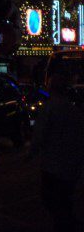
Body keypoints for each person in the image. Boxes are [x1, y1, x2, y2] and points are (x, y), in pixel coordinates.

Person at [30, 73, 84, 232]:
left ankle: (64, 224)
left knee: (51, 198)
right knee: (65, 198)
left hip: (53, 163)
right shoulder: (73, 110)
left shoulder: (49, 108)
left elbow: (40, 133)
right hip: (70, 162)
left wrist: (32, 152)